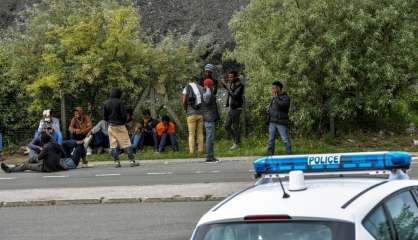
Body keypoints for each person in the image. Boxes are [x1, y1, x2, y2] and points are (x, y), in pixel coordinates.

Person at [104, 87, 138, 168]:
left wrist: (110, 121)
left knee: (114, 144)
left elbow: (105, 117)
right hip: (120, 126)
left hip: (111, 126)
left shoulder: (106, 103)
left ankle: (116, 162)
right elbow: (124, 115)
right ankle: (132, 161)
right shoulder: (120, 102)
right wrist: (124, 121)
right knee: (127, 143)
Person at [1, 132, 65, 173]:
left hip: (47, 168)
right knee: (32, 159)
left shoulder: (46, 147)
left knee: (26, 166)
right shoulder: (57, 145)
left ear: (42, 141)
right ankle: (18, 165)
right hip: (56, 166)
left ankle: (10, 170)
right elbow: (63, 155)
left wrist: (41, 152)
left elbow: (39, 158)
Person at [221, 70, 245, 150]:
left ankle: (237, 144)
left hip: (236, 108)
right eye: (229, 77)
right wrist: (224, 85)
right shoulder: (232, 83)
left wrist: (226, 86)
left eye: (231, 77)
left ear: (235, 77)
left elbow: (235, 95)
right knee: (227, 126)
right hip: (231, 108)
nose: (229, 78)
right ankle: (236, 141)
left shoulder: (240, 85)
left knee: (235, 127)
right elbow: (230, 91)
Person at [267, 81, 292, 155]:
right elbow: (273, 107)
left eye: (274, 88)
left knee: (285, 139)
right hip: (272, 121)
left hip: (281, 122)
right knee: (271, 140)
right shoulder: (274, 98)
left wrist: (276, 98)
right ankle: (269, 156)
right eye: (272, 88)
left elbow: (283, 106)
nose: (272, 90)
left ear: (279, 88)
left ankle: (289, 155)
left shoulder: (285, 97)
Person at [182, 76, 204, 156]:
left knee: (191, 134)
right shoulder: (201, 88)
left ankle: (191, 152)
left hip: (191, 114)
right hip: (200, 114)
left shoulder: (186, 88)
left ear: (190, 80)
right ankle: (201, 151)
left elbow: (184, 101)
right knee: (200, 133)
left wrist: (185, 109)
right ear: (196, 80)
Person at [202, 78, 220, 163]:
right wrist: (208, 87)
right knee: (209, 138)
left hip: (210, 118)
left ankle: (211, 156)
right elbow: (208, 95)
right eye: (211, 85)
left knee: (211, 138)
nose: (212, 87)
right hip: (209, 118)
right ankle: (209, 157)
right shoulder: (206, 94)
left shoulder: (207, 93)